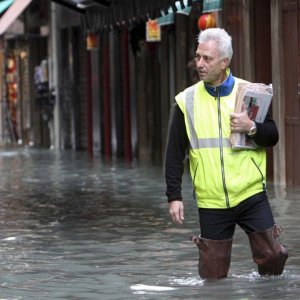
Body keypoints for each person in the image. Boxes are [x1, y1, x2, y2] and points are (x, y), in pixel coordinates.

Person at [164, 28, 288, 279]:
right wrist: (174, 196)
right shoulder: (186, 101)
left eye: (207, 58)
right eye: (198, 56)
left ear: (225, 62)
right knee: (212, 278)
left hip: (251, 193)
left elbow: (272, 136)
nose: (199, 63)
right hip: (212, 201)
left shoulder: (251, 93)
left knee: (273, 257)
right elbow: (174, 153)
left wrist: (251, 127)